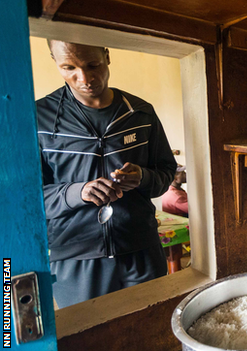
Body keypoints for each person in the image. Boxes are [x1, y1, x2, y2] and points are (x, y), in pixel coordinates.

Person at [36, 40, 177, 308]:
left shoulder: (140, 113)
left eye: (93, 65)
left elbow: (166, 172)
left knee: (150, 334)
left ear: (107, 55)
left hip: (142, 249)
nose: (85, 78)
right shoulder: (39, 118)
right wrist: (78, 192)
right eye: (69, 68)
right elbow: (26, 198)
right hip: (76, 259)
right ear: (54, 61)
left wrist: (143, 178)